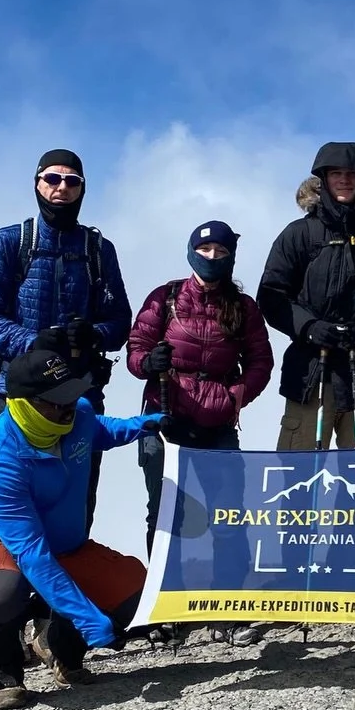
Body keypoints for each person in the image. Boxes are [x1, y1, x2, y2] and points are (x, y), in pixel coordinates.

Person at [0, 349, 163, 710]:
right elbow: (32, 555)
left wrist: (146, 424)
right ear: (26, 404)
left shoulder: (76, 413)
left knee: (136, 596)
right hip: (1, 544)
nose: (71, 405)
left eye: (71, 393)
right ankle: (3, 669)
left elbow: (102, 429)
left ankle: (61, 648)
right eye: (59, 400)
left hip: (67, 545)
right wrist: (87, 617)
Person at [0, 150, 132, 527]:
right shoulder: (12, 241)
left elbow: (120, 323)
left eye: (72, 181)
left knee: (76, 496)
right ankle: (7, 580)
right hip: (18, 392)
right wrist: (33, 343)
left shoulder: (98, 251)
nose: (62, 188)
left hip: (78, 394)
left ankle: (64, 579)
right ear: (37, 184)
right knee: (14, 492)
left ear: (83, 189)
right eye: (52, 179)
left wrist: (94, 334)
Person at [257, 142, 355, 451]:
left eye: (352, 173)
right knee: (297, 481)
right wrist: (309, 327)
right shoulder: (299, 234)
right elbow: (272, 295)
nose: (345, 180)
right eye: (336, 173)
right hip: (311, 374)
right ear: (323, 179)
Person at [127, 221, 274, 553]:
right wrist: (150, 363)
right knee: (165, 512)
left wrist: (237, 395)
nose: (211, 255)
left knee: (228, 514)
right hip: (165, 418)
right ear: (191, 253)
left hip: (217, 423)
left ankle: (229, 590)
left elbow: (260, 361)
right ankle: (164, 593)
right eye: (204, 249)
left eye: (220, 251)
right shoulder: (165, 298)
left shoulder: (243, 307)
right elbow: (136, 350)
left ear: (230, 256)